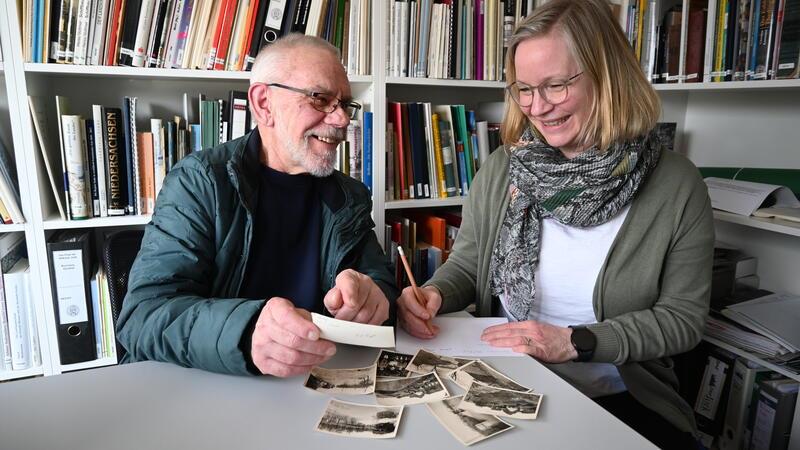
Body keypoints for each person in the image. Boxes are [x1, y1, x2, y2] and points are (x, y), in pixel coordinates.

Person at [397, 0, 714, 448]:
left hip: (618, 402)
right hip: (503, 383)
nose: (538, 107)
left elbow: (683, 319)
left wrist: (574, 342)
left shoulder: (676, 184)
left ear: (606, 76)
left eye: (556, 85)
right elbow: (468, 266)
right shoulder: (504, 168)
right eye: (524, 89)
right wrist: (435, 294)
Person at [117, 34, 397, 378]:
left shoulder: (350, 195)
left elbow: (381, 284)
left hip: (314, 383)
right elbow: (143, 317)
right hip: (209, 384)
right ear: (264, 104)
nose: (341, 120)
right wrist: (246, 332)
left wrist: (373, 295)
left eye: (345, 104)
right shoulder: (199, 181)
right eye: (321, 99)